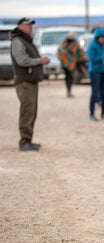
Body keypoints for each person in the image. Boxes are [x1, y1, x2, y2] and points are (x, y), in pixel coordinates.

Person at [10, 17, 50, 151]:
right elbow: (22, 61)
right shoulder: (17, 42)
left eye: (31, 25)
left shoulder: (27, 41)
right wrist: (40, 61)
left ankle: (28, 139)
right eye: (27, 25)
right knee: (27, 111)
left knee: (32, 111)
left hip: (31, 81)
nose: (30, 28)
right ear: (20, 26)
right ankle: (24, 142)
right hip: (24, 82)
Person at [87, 27, 104, 121]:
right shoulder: (92, 46)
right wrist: (103, 57)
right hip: (95, 72)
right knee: (95, 93)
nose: (102, 39)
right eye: (101, 37)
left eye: (103, 37)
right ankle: (92, 113)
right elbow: (92, 58)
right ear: (97, 37)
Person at [57, 31, 87, 98]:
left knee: (69, 77)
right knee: (68, 77)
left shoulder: (73, 44)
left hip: (71, 63)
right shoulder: (64, 45)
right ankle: (69, 91)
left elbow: (79, 51)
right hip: (66, 64)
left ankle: (69, 91)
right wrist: (69, 58)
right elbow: (60, 52)